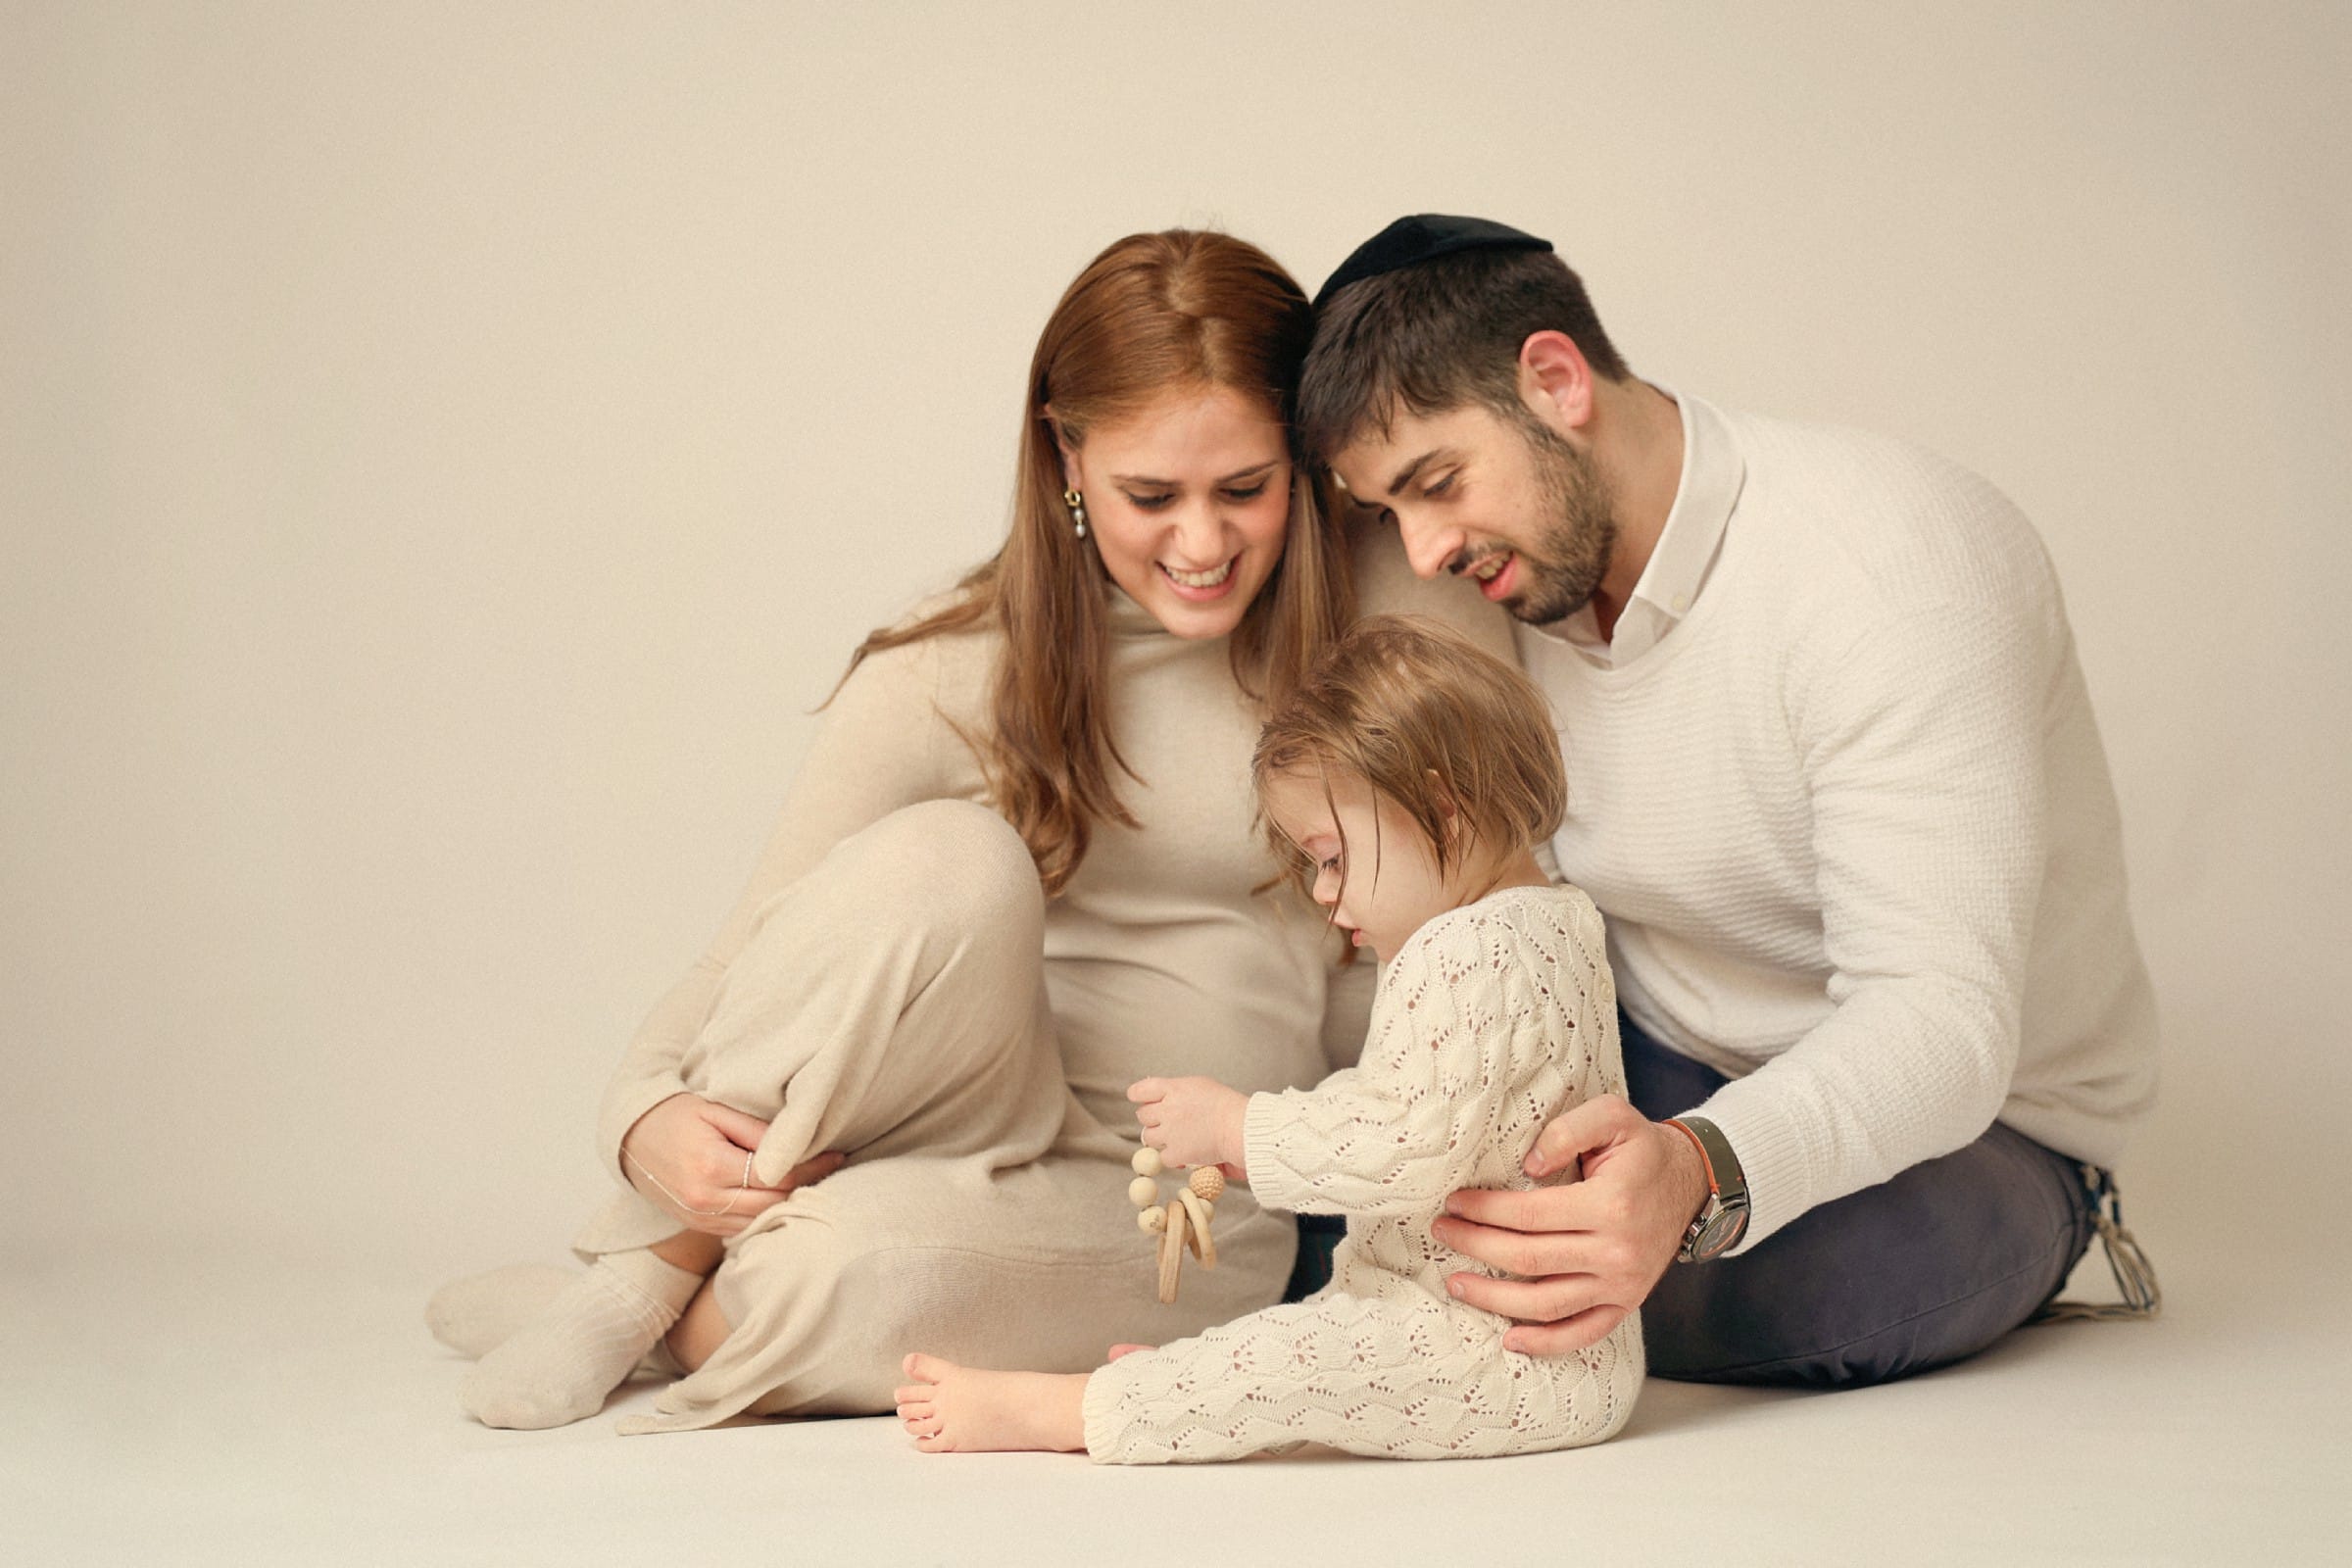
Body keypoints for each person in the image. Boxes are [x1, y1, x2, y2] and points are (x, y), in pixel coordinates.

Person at [428, 229, 1511, 1431]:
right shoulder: (952, 666)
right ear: (1066, 457)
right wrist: (642, 1123)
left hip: (1190, 1195)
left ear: (1304, 463)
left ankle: (661, 1318)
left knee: (842, 1273)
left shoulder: (1400, 612)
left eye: (1244, 489)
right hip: (955, 1113)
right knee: (948, 859)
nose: (1203, 544)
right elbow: (751, 960)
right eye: (1152, 497)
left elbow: (1493, 907)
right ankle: (643, 1277)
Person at [1292, 215, 2160, 1388]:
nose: (1424, 550)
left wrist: (1697, 1172)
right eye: (1387, 511)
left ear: (1556, 381)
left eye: (1437, 484)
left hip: (1983, 1122)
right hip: (1652, 1051)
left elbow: (1942, 1022)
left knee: (1798, 1294)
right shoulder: (1507, 574)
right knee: (1356, 1189)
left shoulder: (1889, 572)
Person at [894, 616, 1643, 1461]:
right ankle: (1185, 1395)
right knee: (1293, 1345)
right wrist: (1266, 1144)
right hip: (1482, 1327)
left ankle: (1076, 1411)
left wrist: (1238, 1126)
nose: (1322, 891)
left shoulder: (1467, 949)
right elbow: (1412, 1100)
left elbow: (1408, 1144)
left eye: (1333, 857)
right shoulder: (1554, 924)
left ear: (1443, 808)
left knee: (1300, 1357)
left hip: (1500, 1352)